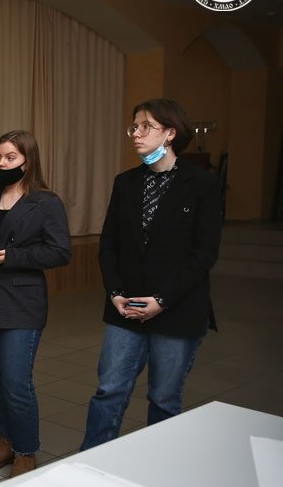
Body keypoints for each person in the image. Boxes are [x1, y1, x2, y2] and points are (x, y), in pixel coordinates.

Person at [81, 98, 221, 450]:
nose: (136, 134)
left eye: (146, 127)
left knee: (163, 398)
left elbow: (204, 255)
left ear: (170, 134)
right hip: (125, 307)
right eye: (134, 126)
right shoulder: (125, 182)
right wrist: (115, 292)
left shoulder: (202, 184)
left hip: (177, 309)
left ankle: (157, 468)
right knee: (109, 391)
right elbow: (109, 244)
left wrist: (162, 299)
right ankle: (89, 464)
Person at [0, 130, 71, 477]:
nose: (2, 163)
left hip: (23, 303)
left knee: (16, 382)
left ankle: (26, 451)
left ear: (27, 161)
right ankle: (6, 441)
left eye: (10, 157)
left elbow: (60, 252)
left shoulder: (46, 202)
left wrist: (12, 256)